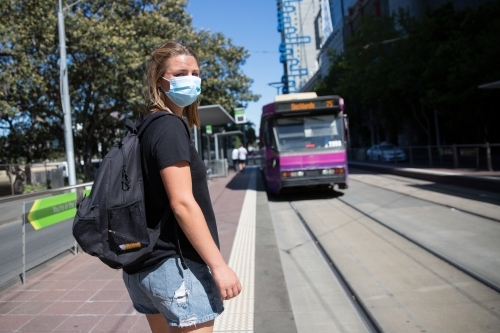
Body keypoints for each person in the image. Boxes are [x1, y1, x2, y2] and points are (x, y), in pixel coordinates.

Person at [122, 41, 242, 333]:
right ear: (159, 81)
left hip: (142, 266)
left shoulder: (143, 126)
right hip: (176, 268)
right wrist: (219, 266)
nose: (191, 79)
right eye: (180, 73)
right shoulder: (170, 126)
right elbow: (182, 203)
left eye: (196, 72)